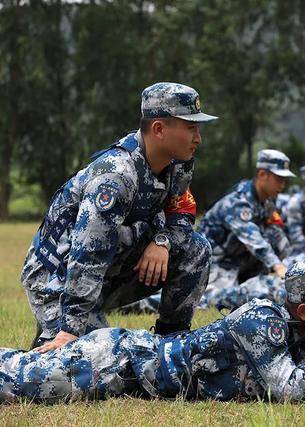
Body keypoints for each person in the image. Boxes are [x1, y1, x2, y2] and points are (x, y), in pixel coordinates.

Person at [0, 258, 305, 403]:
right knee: (14, 382)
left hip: (128, 372)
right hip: (118, 362)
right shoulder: (261, 319)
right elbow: (288, 391)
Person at [20, 82, 215, 352]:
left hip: (111, 264)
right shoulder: (116, 176)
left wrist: (162, 241)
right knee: (101, 358)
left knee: (196, 248)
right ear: (159, 129)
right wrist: (71, 329)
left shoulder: (178, 163)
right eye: (191, 128)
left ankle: (171, 343)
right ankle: (56, 331)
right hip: (58, 276)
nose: (198, 138)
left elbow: (181, 213)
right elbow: (88, 251)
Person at [198, 149, 294, 307]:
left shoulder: (268, 201)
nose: (282, 185)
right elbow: (253, 239)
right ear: (263, 175)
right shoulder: (238, 201)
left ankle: (260, 279)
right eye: (279, 179)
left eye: (284, 180)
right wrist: (277, 266)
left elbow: (272, 231)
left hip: (242, 259)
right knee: (212, 300)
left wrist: (284, 264)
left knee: (275, 234)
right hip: (218, 261)